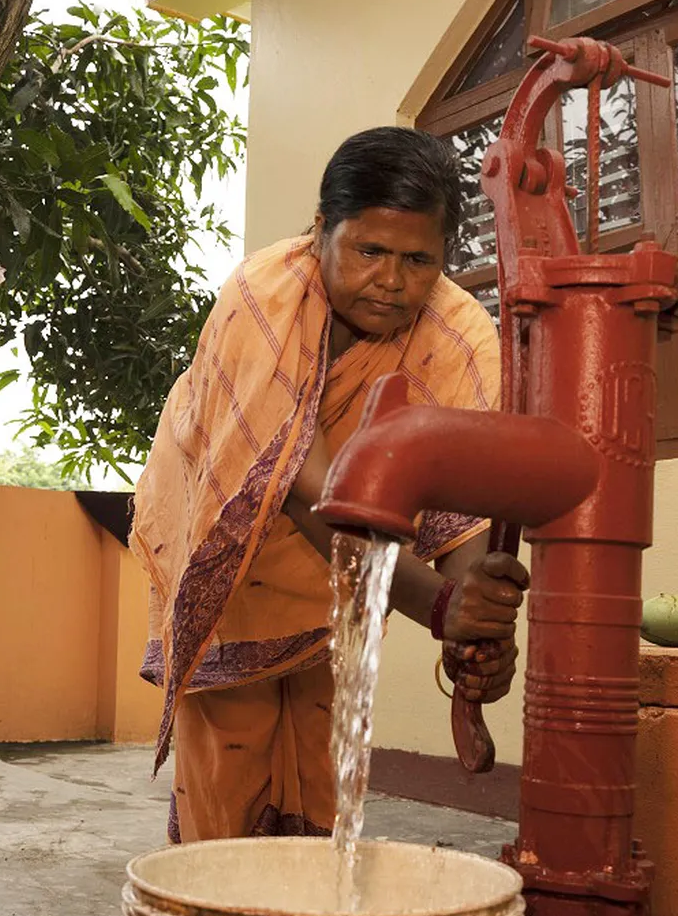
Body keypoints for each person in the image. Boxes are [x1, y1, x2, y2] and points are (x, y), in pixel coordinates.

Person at [129, 126, 528, 844]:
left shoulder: (458, 334)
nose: (393, 279)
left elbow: (463, 500)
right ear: (322, 230)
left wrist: (476, 621)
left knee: (326, 756)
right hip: (234, 558)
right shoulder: (261, 296)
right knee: (232, 757)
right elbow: (295, 483)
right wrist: (440, 606)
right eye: (369, 250)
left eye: (418, 260)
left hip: (345, 579)